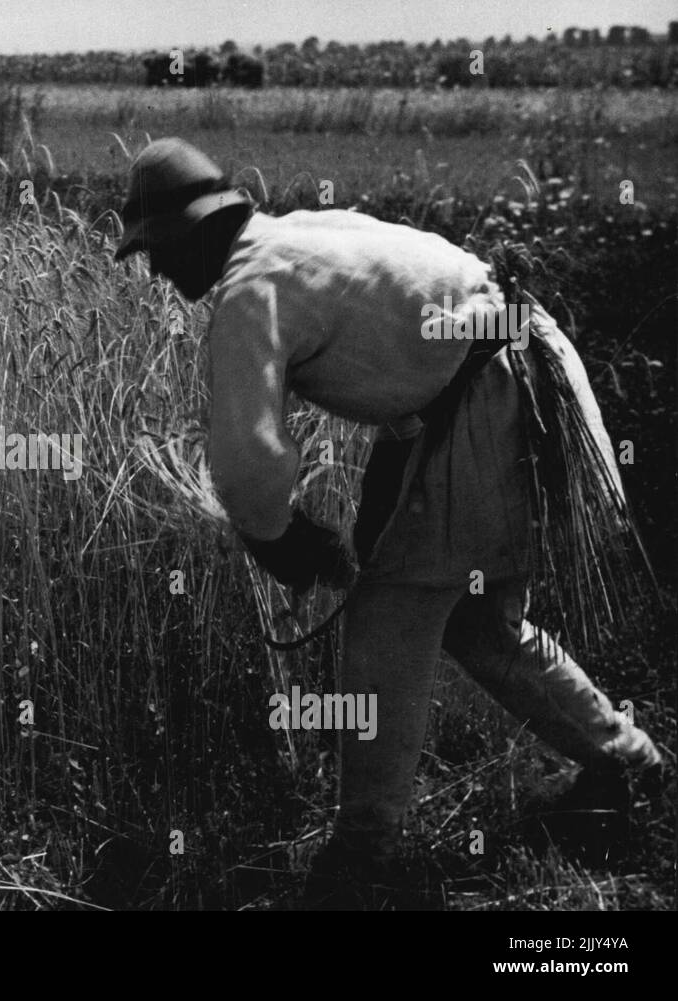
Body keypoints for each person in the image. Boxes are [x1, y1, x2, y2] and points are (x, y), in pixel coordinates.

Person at [113, 138, 663, 907]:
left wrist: (279, 537)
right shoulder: (298, 232)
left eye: (157, 252)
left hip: (488, 402)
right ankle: (627, 763)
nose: (159, 273)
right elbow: (413, 360)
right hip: (521, 372)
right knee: (478, 619)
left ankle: (360, 861)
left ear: (190, 231)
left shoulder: (249, 288)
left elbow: (247, 457)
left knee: (386, 625)